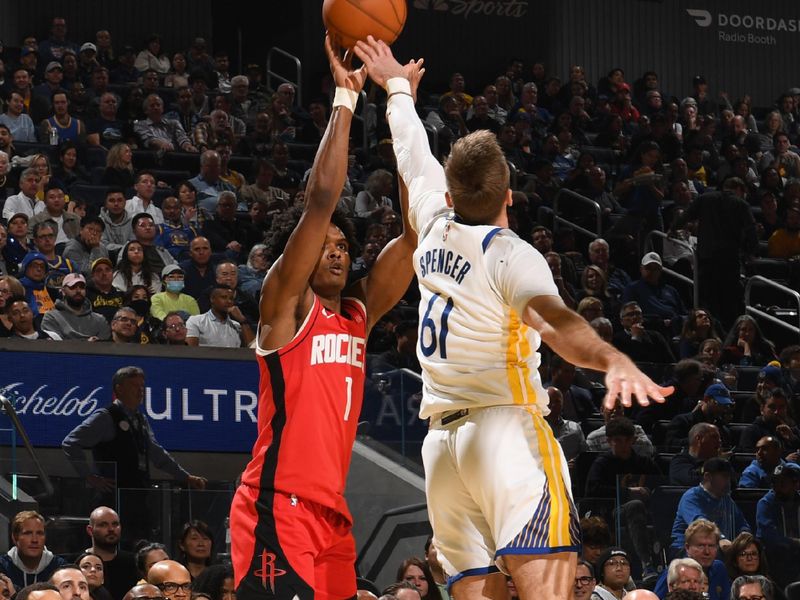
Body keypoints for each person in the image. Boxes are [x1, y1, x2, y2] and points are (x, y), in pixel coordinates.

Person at [354, 36, 672, 600]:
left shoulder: (431, 223)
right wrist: (611, 357)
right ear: (510, 194)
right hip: (505, 435)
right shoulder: (511, 253)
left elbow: (411, 148)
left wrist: (396, 86)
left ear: (450, 194)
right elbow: (555, 323)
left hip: (443, 449)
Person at [230, 37, 420, 600]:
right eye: (324, 245)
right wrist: (345, 97)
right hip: (276, 502)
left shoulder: (359, 313)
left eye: (343, 244)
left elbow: (414, 234)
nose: (335, 251)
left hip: (333, 515)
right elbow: (320, 199)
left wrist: (400, 101)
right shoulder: (285, 306)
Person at [61, 366, 207, 510]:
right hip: (112, 499)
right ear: (119, 389)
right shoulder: (106, 417)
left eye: (142, 386)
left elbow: (157, 453)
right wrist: (89, 476)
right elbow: (70, 442)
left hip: (139, 496)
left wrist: (185, 477)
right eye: (134, 385)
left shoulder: (140, 419)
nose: (140, 391)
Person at [671, 178, 757, 330]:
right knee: (730, 300)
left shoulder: (705, 198)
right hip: (729, 259)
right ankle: (730, 331)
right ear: (739, 189)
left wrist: (672, 229)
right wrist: (750, 252)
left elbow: (685, 216)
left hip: (706, 257)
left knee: (709, 298)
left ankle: (711, 331)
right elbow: (751, 230)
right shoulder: (741, 204)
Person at [584, 417, 660, 579]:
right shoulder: (602, 464)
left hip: (645, 514)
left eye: (627, 440)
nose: (624, 445)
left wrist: (648, 490)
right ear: (609, 441)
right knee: (634, 505)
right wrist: (626, 492)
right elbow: (592, 491)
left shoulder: (644, 463)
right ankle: (647, 564)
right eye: (618, 441)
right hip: (611, 513)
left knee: (639, 507)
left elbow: (660, 486)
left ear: (633, 440)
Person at [671, 458, 751, 553]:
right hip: (687, 550)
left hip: (716, 550)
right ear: (707, 476)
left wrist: (745, 536)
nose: (728, 482)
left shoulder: (727, 500)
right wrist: (720, 538)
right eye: (724, 476)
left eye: (729, 477)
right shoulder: (691, 497)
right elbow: (700, 523)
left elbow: (741, 523)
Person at [653, 519, 730, 600]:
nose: (707, 552)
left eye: (711, 546)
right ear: (687, 547)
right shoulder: (673, 572)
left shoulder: (719, 569)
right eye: (701, 546)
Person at [756, 462, 800, 588]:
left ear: (796, 484)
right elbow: (769, 536)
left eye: (783, 483)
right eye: (775, 482)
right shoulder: (766, 503)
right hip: (774, 560)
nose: (777, 487)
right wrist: (795, 542)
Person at [0, 511, 67, 589]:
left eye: (39, 533)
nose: (34, 540)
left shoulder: (59, 567)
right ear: (15, 538)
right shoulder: (3, 566)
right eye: (28, 533)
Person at [83, 507, 138, 600]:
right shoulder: (75, 563)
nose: (111, 529)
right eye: (103, 525)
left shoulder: (133, 562)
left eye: (115, 524)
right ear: (90, 530)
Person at [40, 273, 109, 341]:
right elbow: (54, 348)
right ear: (63, 291)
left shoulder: (100, 320)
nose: (78, 291)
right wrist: (87, 345)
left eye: (82, 287)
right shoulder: (51, 317)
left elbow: (106, 348)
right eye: (73, 287)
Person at [665, 384, 733, 450]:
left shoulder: (723, 429)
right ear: (706, 399)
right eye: (717, 403)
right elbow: (671, 445)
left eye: (724, 405)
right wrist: (698, 440)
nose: (721, 408)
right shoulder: (683, 421)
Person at [185, 285, 252, 348]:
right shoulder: (196, 321)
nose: (229, 301)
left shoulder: (237, 326)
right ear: (212, 299)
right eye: (224, 297)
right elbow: (191, 351)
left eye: (231, 298)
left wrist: (242, 320)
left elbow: (251, 348)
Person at [587, 399, 655, 457]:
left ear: (623, 411)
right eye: (610, 407)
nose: (615, 411)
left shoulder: (636, 430)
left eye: (619, 407)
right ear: (602, 410)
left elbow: (649, 451)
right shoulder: (594, 437)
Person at [545, 387, 587, 462]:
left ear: (562, 404)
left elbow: (584, 453)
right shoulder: (534, 427)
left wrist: (576, 462)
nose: (553, 405)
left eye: (557, 401)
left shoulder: (575, 428)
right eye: (549, 401)